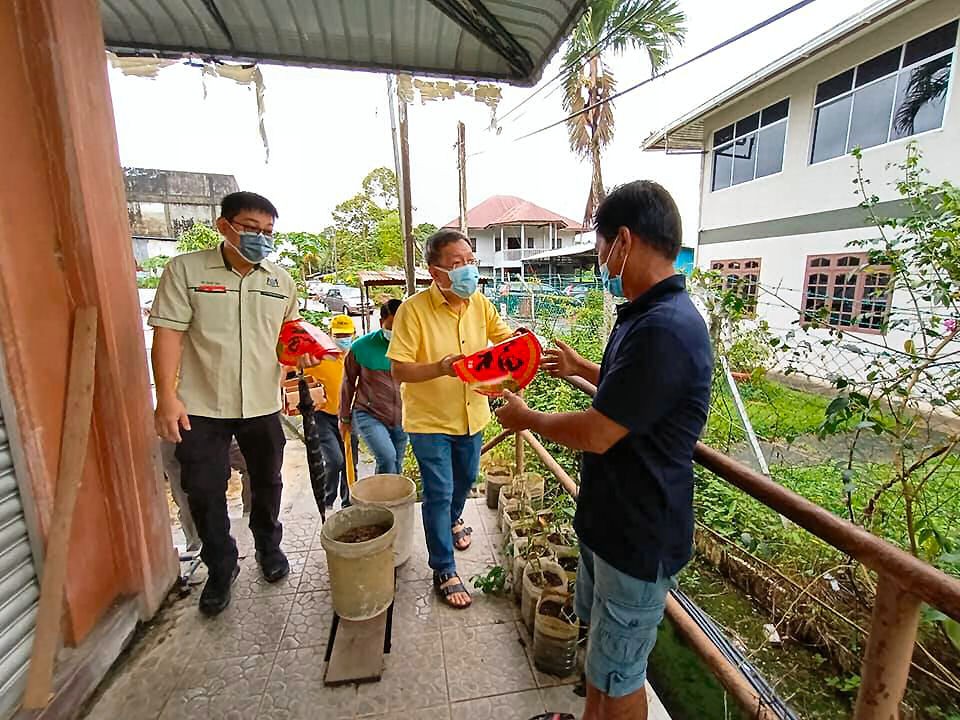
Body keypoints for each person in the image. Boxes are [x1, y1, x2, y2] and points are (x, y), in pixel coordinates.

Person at [495, 181, 713, 720]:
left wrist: (528, 418)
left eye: (600, 249)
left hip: (637, 534)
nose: (601, 261)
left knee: (620, 677)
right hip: (610, 522)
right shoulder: (644, 314)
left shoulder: (664, 327)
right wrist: (582, 368)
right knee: (602, 661)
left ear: (624, 241)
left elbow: (598, 431)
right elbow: (632, 394)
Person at [150, 191, 321, 616]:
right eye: (250, 228)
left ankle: (268, 547)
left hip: (262, 403)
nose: (260, 238)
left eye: (268, 231)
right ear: (224, 226)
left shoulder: (281, 281)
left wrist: (301, 355)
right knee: (203, 489)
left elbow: (288, 337)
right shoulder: (186, 270)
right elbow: (168, 334)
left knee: (267, 482)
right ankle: (221, 567)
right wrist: (165, 396)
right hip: (202, 405)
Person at [388, 229, 514, 609]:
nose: (468, 270)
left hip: (472, 414)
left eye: (471, 261)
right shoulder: (412, 310)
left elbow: (505, 339)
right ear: (435, 271)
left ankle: (453, 518)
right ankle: (443, 567)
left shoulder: (480, 304)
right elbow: (399, 370)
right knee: (439, 491)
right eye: (457, 264)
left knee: (466, 480)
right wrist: (441, 368)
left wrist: (522, 347)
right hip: (430, 422)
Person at [340, 300, 407, 475]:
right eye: (391, 326)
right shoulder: (361, 347)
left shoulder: (412, 346)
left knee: (396, 464)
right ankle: (384, 491)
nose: (396, 331)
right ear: (381, 322)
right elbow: (348, 382)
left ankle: (386, 492)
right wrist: (344, 417)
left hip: (402, 416)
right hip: (369, 413)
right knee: (387, 457)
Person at [300, 314, 359, 513]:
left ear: (354, 334)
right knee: (335, 460)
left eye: (346, 335)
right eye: (339, 335)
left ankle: (349, 503)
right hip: (323, 417)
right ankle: (327, 499)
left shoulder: (355, 356)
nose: (343, 339)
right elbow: (297, 379)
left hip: (349, 415)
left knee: (350, 462)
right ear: (330, 334)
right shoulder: (318, 357)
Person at [160, 439, 252, 551]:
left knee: (253, 460)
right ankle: (201, 546)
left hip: (213, 432)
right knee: (187, 492)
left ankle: (251, 520)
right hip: (175, 438)